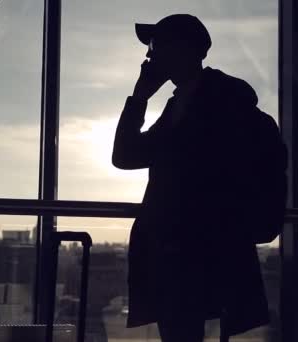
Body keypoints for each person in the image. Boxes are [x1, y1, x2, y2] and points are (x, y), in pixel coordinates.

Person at [112, 14, 279, 342]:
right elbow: (126, 156)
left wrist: (141, 96)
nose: (149, 56)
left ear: (183, 49)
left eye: (155, 46)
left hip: (196, 255)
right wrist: (140, 97)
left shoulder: (219, 103)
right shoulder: (182, 104)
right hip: (184, 255)